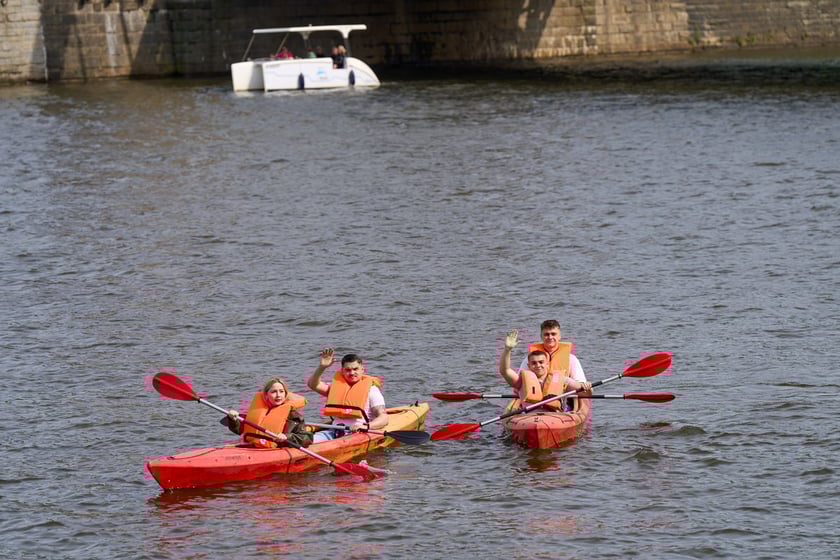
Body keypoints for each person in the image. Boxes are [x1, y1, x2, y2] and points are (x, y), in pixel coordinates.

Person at [306, 349, 387, 442]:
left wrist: (366, 426)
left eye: (355, 369)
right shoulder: (335, 387)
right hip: (333, 432)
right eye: (348, 370)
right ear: (342, 371)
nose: (352, 373)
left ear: (362, 370)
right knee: (309, 441)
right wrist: (322, 367)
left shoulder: (372, 390)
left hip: (358, 433)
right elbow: (313, 385)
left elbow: (383, 418)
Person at [500, 329, 591, 412]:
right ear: (529, 366)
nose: (538, 365)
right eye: (534, 363)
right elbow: (505, 371)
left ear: (547, 364)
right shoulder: (522, 381)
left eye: (541, 362)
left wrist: (587, 387)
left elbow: (585, 392)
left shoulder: (562, 379)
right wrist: (507, 350)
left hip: (556, 417)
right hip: (529, 417)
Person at [226, 377, 312, 448]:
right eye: (274, 392)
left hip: (276, 449)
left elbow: (307, 439)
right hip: (252, 447)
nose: (278, 395)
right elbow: (240, 430)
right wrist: (233, 420)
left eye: (281, 391)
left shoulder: (294, 416)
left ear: (285, 394)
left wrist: (287, 437)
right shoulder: (257, 410)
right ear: (266, 395)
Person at [517, 319, 587, 382]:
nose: (550, 337)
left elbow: (580, 382)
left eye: (553, 334)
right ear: (541, 336)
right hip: (537, 394)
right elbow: (518, 382)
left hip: (563, 394)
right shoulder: (531, 358)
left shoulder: (571, 359)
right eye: (546, 334)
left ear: (559, 336)